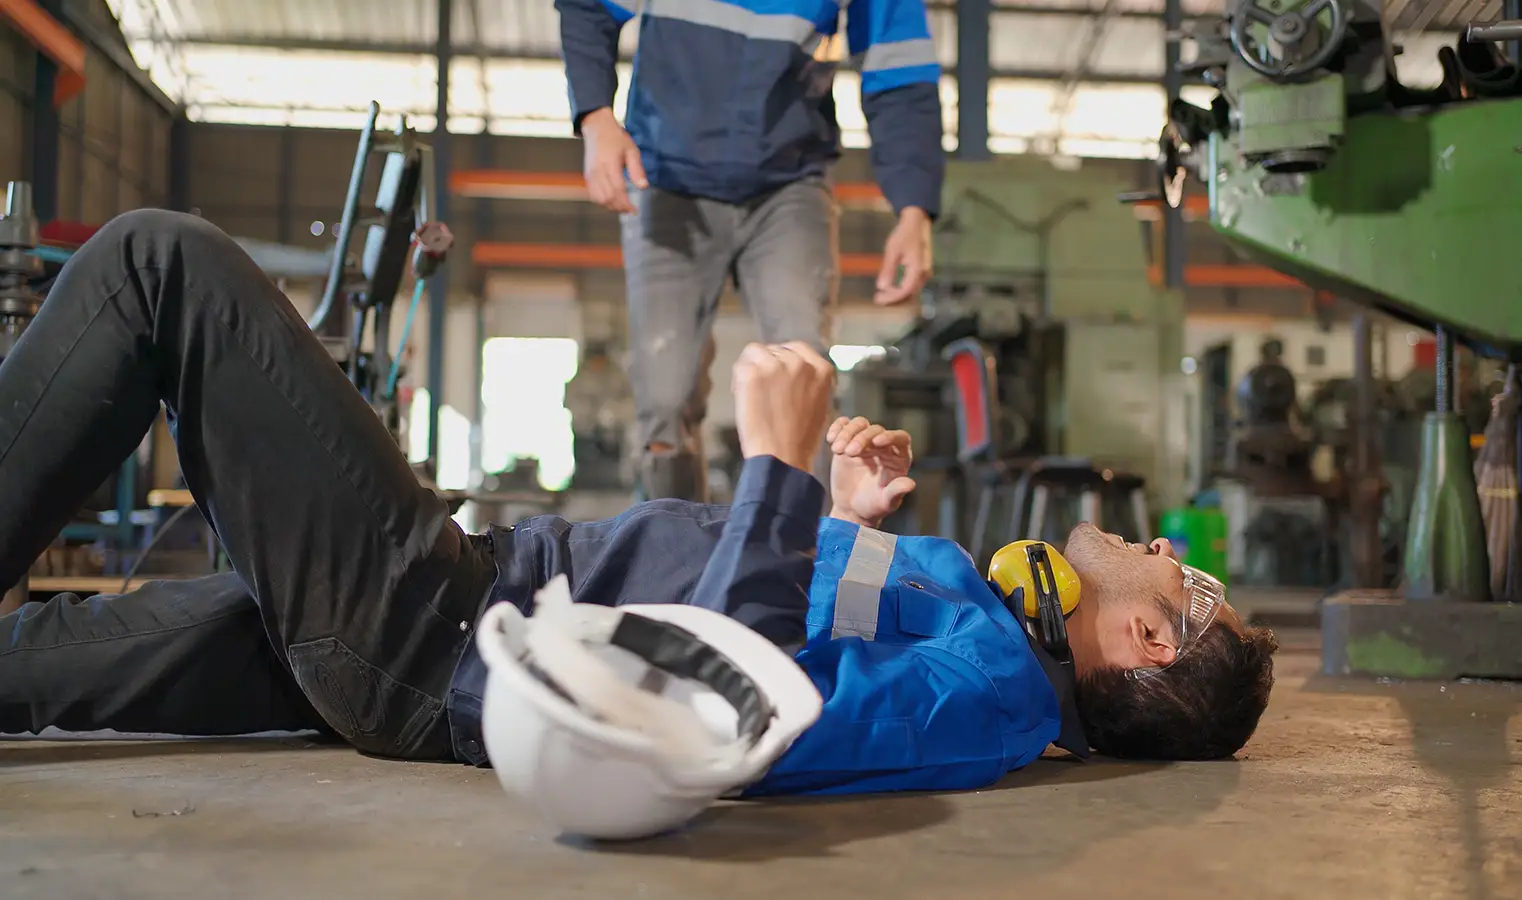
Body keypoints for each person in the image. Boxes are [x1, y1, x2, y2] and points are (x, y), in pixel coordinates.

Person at [0, 212, 1277, 792]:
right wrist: (833, 509)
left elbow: (717, 710)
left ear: (1154, 641)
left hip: (438, 629)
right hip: (454, 625)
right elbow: (786, 624)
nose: (1168, 546)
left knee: (159, 268)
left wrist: (772, 475)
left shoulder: (987, 698)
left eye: (1188, 580)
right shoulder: (986, 638)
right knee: (32, 663)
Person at [556, 0, 944, 502]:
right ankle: (676, 564)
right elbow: (588, 7)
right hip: (666, 176)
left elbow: (900, 71)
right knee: (666, 398)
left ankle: (803, 561)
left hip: (790, 182)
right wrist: (595, 116)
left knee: (804, 375)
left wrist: (914, 209)